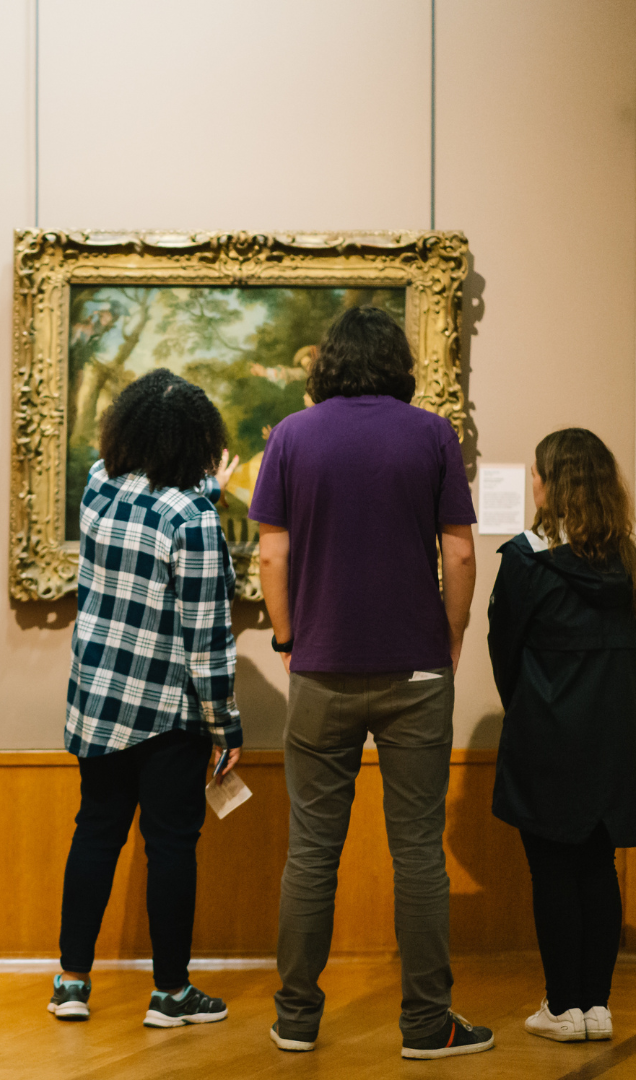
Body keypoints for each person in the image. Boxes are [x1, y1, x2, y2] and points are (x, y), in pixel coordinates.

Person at [248, 305, 494, 1059]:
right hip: (417, 666)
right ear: (398, 361)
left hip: (320, 668)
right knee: (418, 849)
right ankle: (426, 1026)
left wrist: (289, 640)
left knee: (312, 850)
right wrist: (450, 637)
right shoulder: (430, 433)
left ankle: (295, 1018)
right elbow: (457, 555)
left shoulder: (291, 436)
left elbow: (270, 559)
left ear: (325, 364)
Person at [49, 368, 242, 1028]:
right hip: (165, 713)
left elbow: (149, 508)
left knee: (96, 832)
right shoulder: (195, 520)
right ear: (199, 441)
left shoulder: (98, 489)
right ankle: (170, 994)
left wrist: (207, 491)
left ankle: (71, 982)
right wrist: (226, 728)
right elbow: (208, 637)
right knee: (171, 848)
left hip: (98, 698)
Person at [488, 428, 636, 1044]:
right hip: (617, 737)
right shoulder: (630, 559)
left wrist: (532, 708)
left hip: (546, 736)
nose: (532, 483)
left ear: (552, 485)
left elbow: (504, 653)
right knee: (599, 868)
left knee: (552, 873)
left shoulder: (526, 560)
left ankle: (563, 1008)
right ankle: (598, 1006)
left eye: (537, 474)